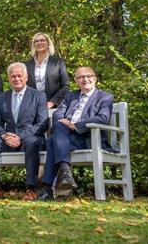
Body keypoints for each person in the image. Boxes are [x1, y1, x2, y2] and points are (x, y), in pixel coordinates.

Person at [38, 67, 113, 201]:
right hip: (67, 137)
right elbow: (58, 113)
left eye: (88, 76)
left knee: (51, 141)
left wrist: (76, 125)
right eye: (81, 77)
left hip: (90, 138)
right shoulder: (71, 96)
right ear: (76, 81)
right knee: (58, 127)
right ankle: (65, 172)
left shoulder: (105, 97)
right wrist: (64, 122)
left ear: (95, 78)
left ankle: (49, 187)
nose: (85, 79)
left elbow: (103, 118)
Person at [0, 62, 48, 201]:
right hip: (8, 138)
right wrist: (4, 135)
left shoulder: (38, 96)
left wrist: (20, 137)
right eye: (13, 76)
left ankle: (31, 188)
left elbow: (42, 124)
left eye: (19, 76)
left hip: (30, 139)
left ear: (26, 77)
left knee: (32, 142)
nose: (16, 79)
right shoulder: (3, 98)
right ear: (9, 78)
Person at [25, 32, 70, 108]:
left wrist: (52, 102)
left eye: (42, 40)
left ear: (48, 43)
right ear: (33, 45)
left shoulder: (58, 62)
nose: (39, 43)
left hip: (53, 106)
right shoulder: (26, 65)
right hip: (32, 105)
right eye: (36, 41)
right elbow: (23, 86)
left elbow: (66, 86)